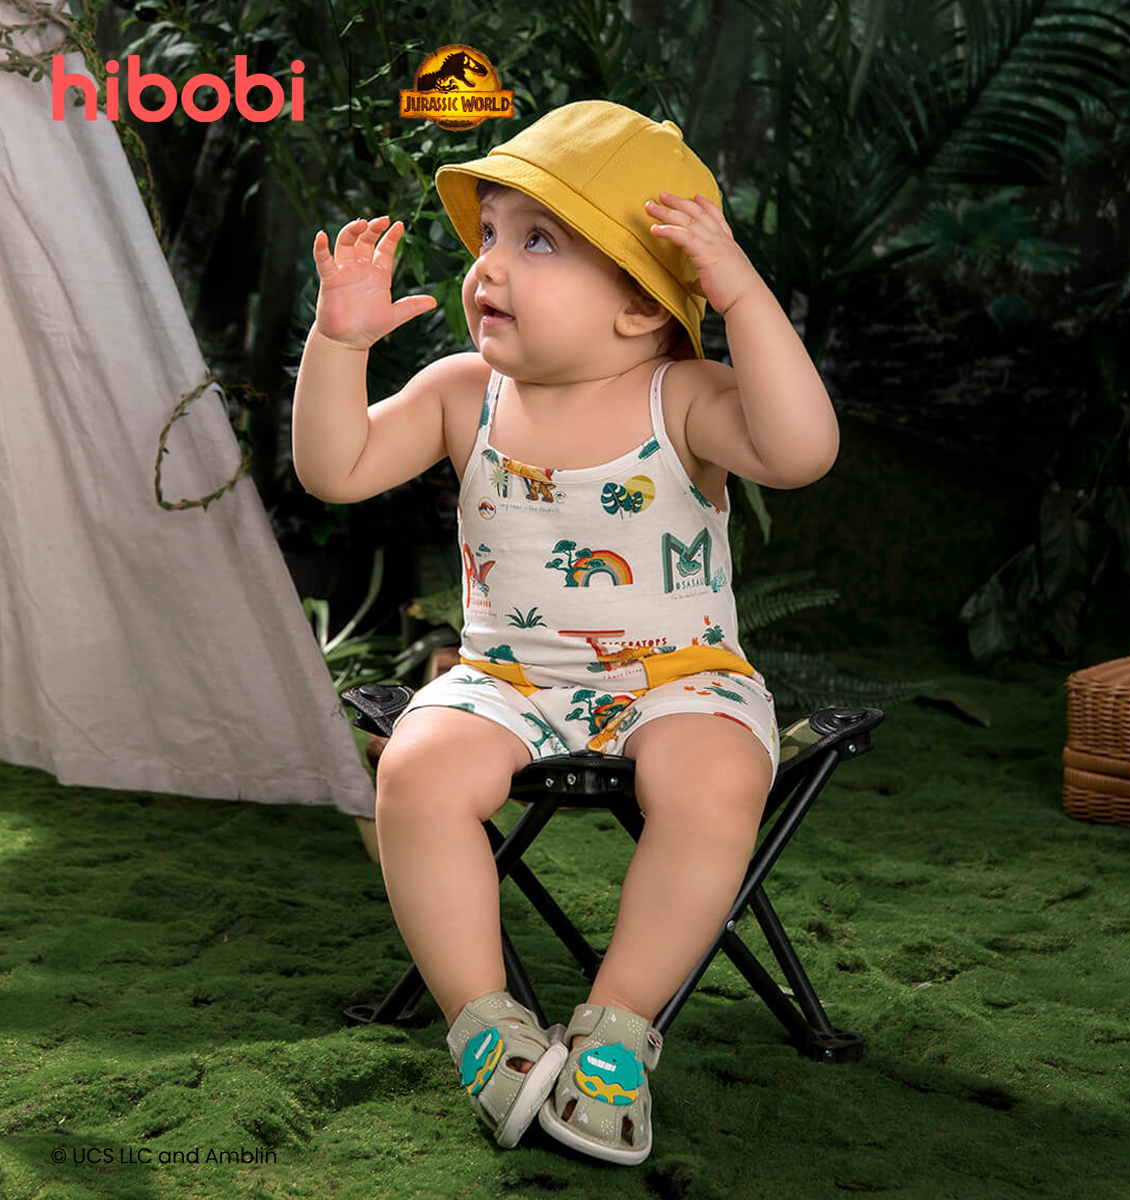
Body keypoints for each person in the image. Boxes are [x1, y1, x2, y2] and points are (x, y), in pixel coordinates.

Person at [291, 100, 838, 1165]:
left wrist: (738, 292)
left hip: (681, 679)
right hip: (507, 676)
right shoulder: (464, 394)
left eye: (536, 241)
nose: (489, 265)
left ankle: (617, 1032)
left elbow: (802, 449)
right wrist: (338, 344)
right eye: (490, 233)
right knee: (415, 770)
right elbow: (335, 468)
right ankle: (485, 1025)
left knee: (715, 777)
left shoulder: (686, 398)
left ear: (639, 304)